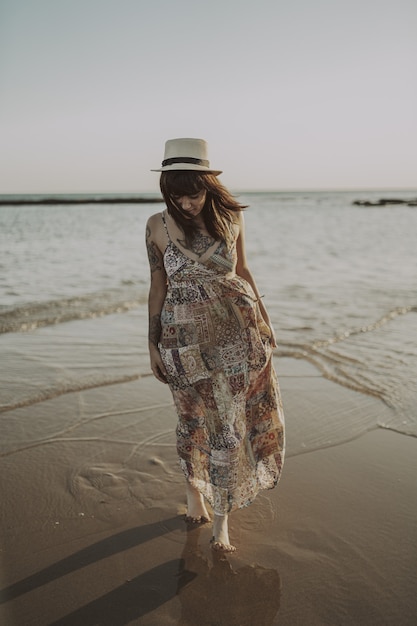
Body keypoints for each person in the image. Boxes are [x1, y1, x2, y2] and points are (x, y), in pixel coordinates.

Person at [146, 138, 285, 552]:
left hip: (235, 335)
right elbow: (157, 287)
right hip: (180, 341)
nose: (185, 203)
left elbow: (242, 270)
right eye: (176, 194)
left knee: (227, 429)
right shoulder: (156, 224)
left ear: (208, 184)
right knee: (191, 420)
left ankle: (221, 521)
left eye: (193, 192)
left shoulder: (230, 218)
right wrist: (151, 345)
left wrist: (265, 320)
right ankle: (194, 492)